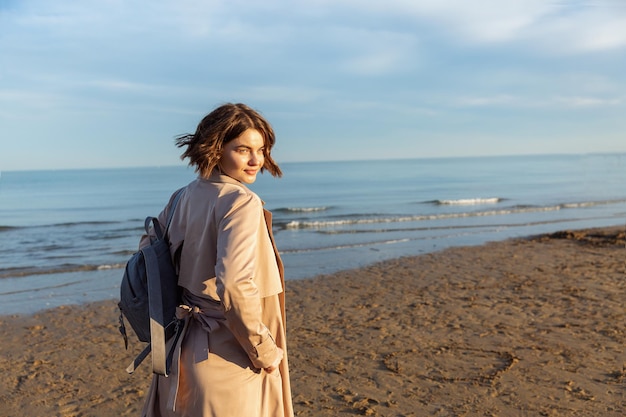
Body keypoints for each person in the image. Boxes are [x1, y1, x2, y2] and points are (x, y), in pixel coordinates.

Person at [141, 103, 293, 417]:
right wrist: (264, 351)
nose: (256, 161)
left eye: (261, 150)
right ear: (215, 149)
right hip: (230, 354)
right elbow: (235, 286)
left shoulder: (184, 195)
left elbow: (148, 250)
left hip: (182, 350)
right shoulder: (240, 202)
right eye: (243, 150)